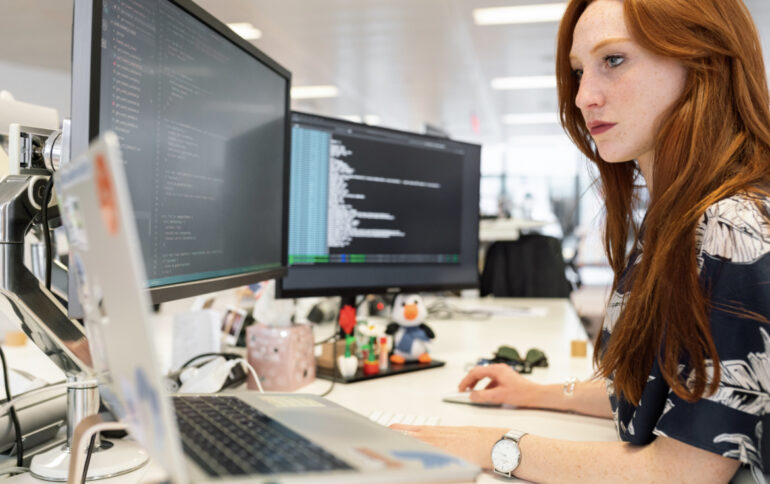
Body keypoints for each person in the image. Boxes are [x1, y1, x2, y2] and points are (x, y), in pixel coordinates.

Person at [392, 0, 770, 481]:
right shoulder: (677, 219)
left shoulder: (731, 227)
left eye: (613, 60)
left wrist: (494, 445)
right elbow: (660, 389)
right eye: (578, 71)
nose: (582, 96)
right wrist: (533, 393)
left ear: (703, 62)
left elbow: (684, 472)